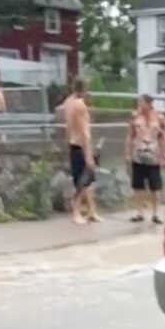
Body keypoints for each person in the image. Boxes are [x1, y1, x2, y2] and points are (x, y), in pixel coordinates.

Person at [125, 94, 165, 225]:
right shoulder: (135, 117)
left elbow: (164, 136)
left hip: (153, 155)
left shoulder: (159, 118)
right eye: (140, 103)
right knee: (138, 185)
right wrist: (127, 153)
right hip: (138, 154)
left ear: (149, 104)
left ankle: (156, 213)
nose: (140, 105)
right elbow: (130, 135)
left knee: (155, 186)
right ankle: (139, 212)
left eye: (143, 102)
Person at [63, 77, 100, 224]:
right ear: (84, 90)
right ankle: (76, 212)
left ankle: (91, 211)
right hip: (80, 145)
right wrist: (89, 155)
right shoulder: (80, 106)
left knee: (88, 182)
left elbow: (68, 127)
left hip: (73, 143)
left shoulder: (68, 102)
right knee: (82, 181)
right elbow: (85, 132)